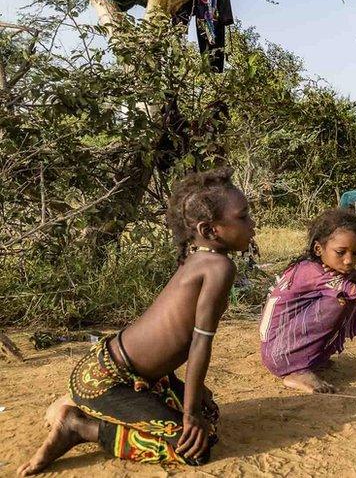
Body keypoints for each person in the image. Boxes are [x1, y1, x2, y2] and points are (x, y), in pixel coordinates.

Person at [19, 168, 255, 475]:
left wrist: (191, 399)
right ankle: (79, 426)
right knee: (196, 447)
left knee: (209, 411)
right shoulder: (219, 268)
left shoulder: (202, 259)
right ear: (209, 230)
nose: (252, 224)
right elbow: (198, 343)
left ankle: (80, 405)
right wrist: (190, 411)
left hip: (134, 373)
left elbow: (171, 340)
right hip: (107, 380)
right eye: (244, 216)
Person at [259, 209, 356, 393]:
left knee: (344, 294)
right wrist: (352, 280)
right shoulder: (319, 273)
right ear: (318, 249)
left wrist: (354, 275)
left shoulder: (315, 267)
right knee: (341, 300)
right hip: (279, 355)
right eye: (341, 252)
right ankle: (297, 371)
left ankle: (310, 358)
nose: (349, 260)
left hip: (276, 350)